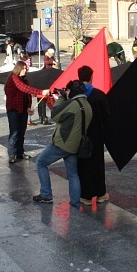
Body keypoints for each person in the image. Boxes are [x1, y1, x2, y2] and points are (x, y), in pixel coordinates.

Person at [33, 80, 92, 209]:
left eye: (68, 90)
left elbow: (55, 114)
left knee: (41, 163)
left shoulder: (72, 103)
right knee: (73, 174)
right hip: (76, 145)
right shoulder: (86, 104)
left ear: (71, 91)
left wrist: (61, 97)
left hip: (62, 144)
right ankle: (75, 202)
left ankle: (46, 195)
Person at [77, 66, 111, 206]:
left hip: (80, 135)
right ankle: (100, 193)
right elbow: (106, 116)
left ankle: (85, 195)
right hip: (96, 135)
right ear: (91, 76)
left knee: (82, 164)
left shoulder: (75, 95)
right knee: (97, 163)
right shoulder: (98, 94)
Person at [5, 61, 50, 163]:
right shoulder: (14, 78)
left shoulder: (24, 80)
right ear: (18, 68)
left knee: (21, 132)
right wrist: (41, 92)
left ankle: (20, 153)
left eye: (26, 69)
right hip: (13, 110)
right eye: (24, 69)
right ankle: (12, 154)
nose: (25, 71)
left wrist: (28, 108)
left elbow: (27, 96)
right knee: (14, 132)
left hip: (22, 110)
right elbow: (24, 89)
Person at [37, 48, 57, 125]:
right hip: (44, 87)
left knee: (42, 102)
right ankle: (43, 117)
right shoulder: (46, 57)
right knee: (42, 102)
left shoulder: (50, 57)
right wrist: (53, 62)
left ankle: (42, 117)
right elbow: (46, 62)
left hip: (42, 90)